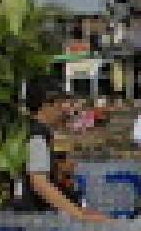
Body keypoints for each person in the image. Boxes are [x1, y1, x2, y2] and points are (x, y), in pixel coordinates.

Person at [11, 77, 109, 222]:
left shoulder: (26, 130)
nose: (65, 108)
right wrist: (79, 215)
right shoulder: (37, 136)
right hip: (33, 221)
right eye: (60, 103)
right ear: (46, 105)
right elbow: (39, 183)